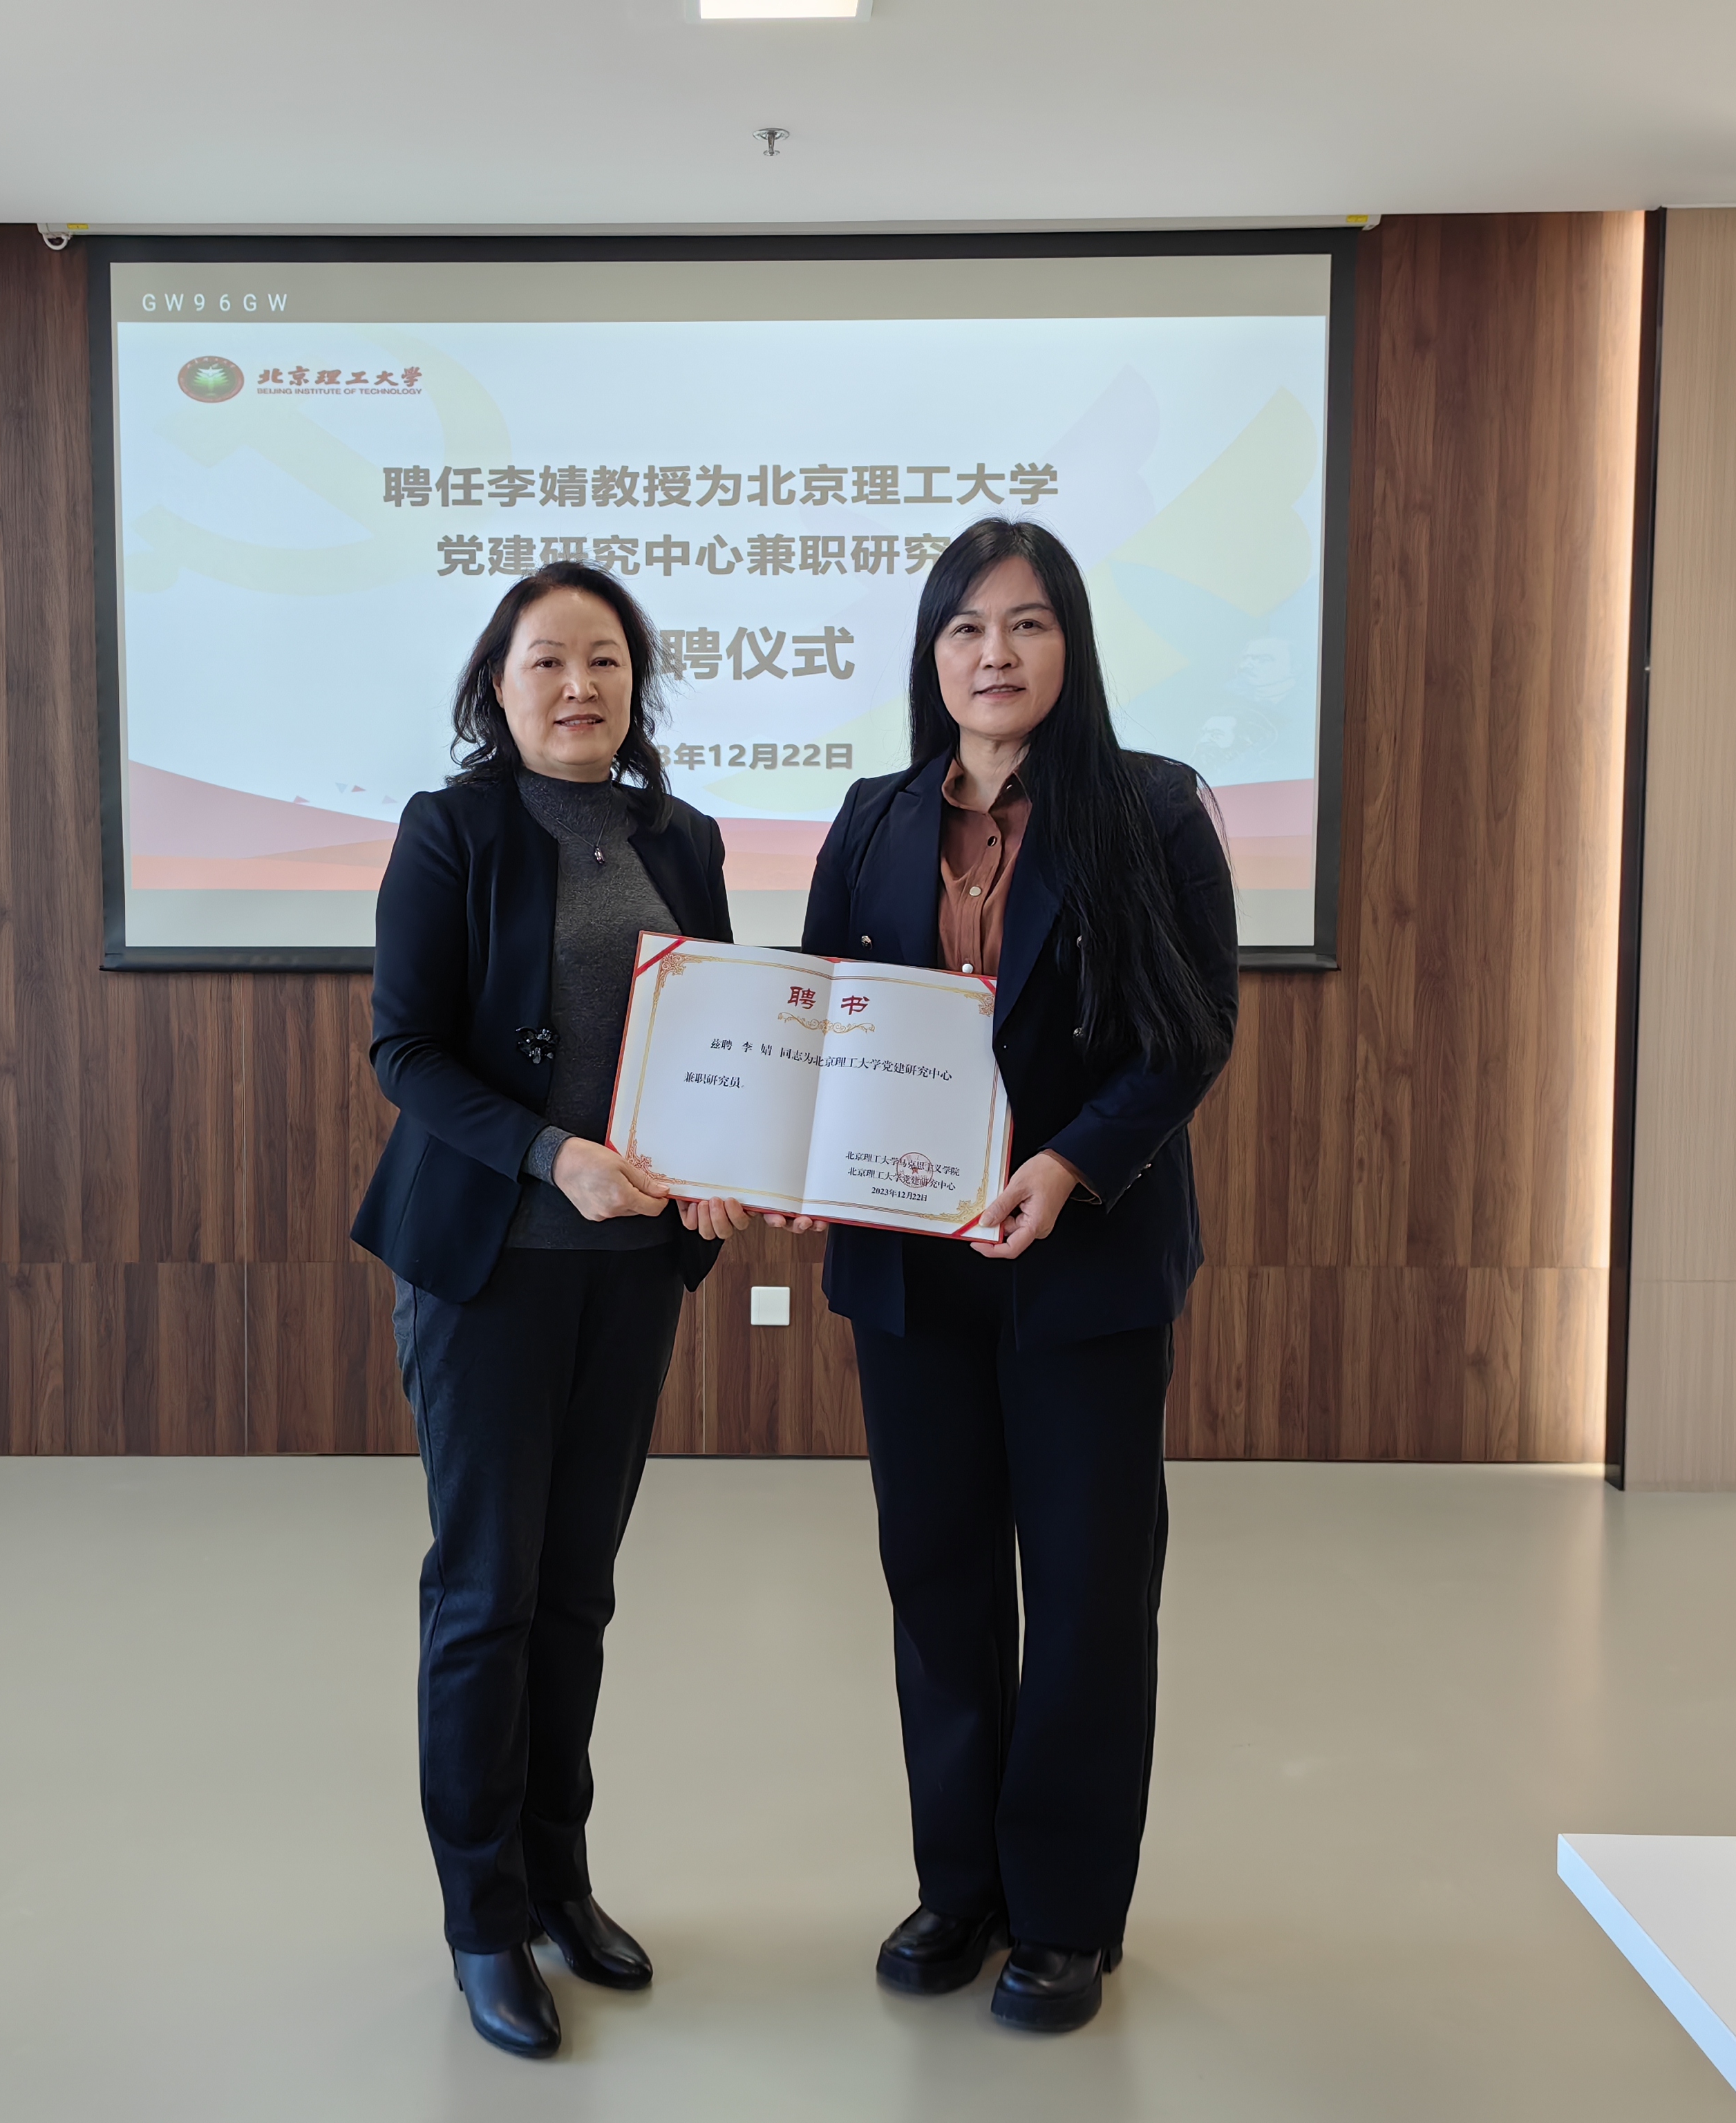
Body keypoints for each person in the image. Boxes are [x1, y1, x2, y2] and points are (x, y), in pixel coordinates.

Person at [794, 517, 1238, 2032]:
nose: (996, 654)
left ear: (1071, 645)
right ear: (931, 655)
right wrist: (788, 1154)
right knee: (936, 1579)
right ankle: (960, 1886)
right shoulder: (871, 819)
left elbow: (1189, 1033)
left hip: (1081, 1259)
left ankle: (1061, 1915)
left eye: (1028, 624)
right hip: (910, 1271)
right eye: (966, 628)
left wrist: (1065, 1168)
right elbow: (819, 1021)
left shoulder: (1150, 810)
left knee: (1088, 1588)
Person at [352, 563, 757, 2059]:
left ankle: (559, 1883)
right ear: (498, 685)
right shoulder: (449, 829)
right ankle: (481, 1919)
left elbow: (716, 1038)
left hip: (629, 1274)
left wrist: (719, 1163)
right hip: (489, 1265)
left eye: (605, 660)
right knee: (486, 1595)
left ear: (637, 683)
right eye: (547, 661)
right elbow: (404, 1051)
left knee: (577, 1590)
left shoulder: (682, 838)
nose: (579, 686)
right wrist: (550, 1153)